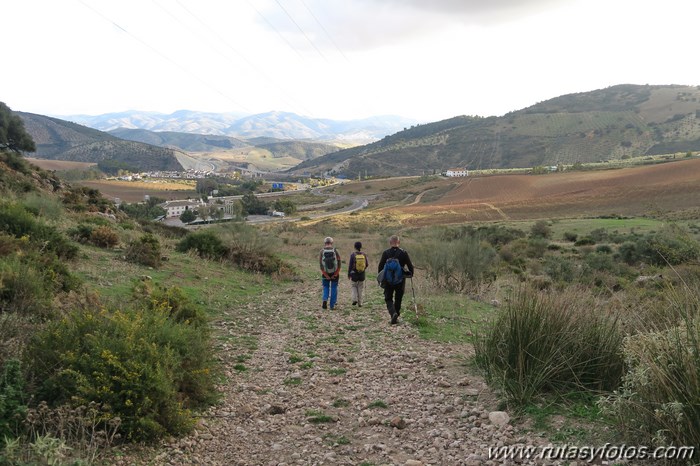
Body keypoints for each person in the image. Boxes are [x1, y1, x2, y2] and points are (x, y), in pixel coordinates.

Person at [378, 234, 414, 324]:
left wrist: (381, 278)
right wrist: (411, 274)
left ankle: (392, 313)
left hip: (388, 280)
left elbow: (380, 266)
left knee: (388, 298)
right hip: (400, 280)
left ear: (390, 243)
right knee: (398, 298)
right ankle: (396, 314)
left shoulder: (386, 253)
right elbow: (410, 266)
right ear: (399, 242)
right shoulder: (403, 253)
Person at [319, 236, 341, 310]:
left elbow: (321, 265)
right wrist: (336, 273)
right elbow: (339, 263)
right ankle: (332, 305)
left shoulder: (322, 251)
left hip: (325, 273)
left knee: (325, 287)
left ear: (325, 243)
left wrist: (325, 274)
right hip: (335, 273)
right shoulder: (335, 251)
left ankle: (325, 299)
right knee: (334, 288)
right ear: (332, 243)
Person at [347, 241, 368, 307]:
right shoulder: (364, 254)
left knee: (354, 286)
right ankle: (360, 303)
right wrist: (362, 270)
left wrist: (349, 274)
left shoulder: (353, 255)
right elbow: (367, 264)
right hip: (362, 274)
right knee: (360, 288)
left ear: (355, 247)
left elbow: (350, 266)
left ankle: (354, 299)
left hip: (354, 274)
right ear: (361, 247)